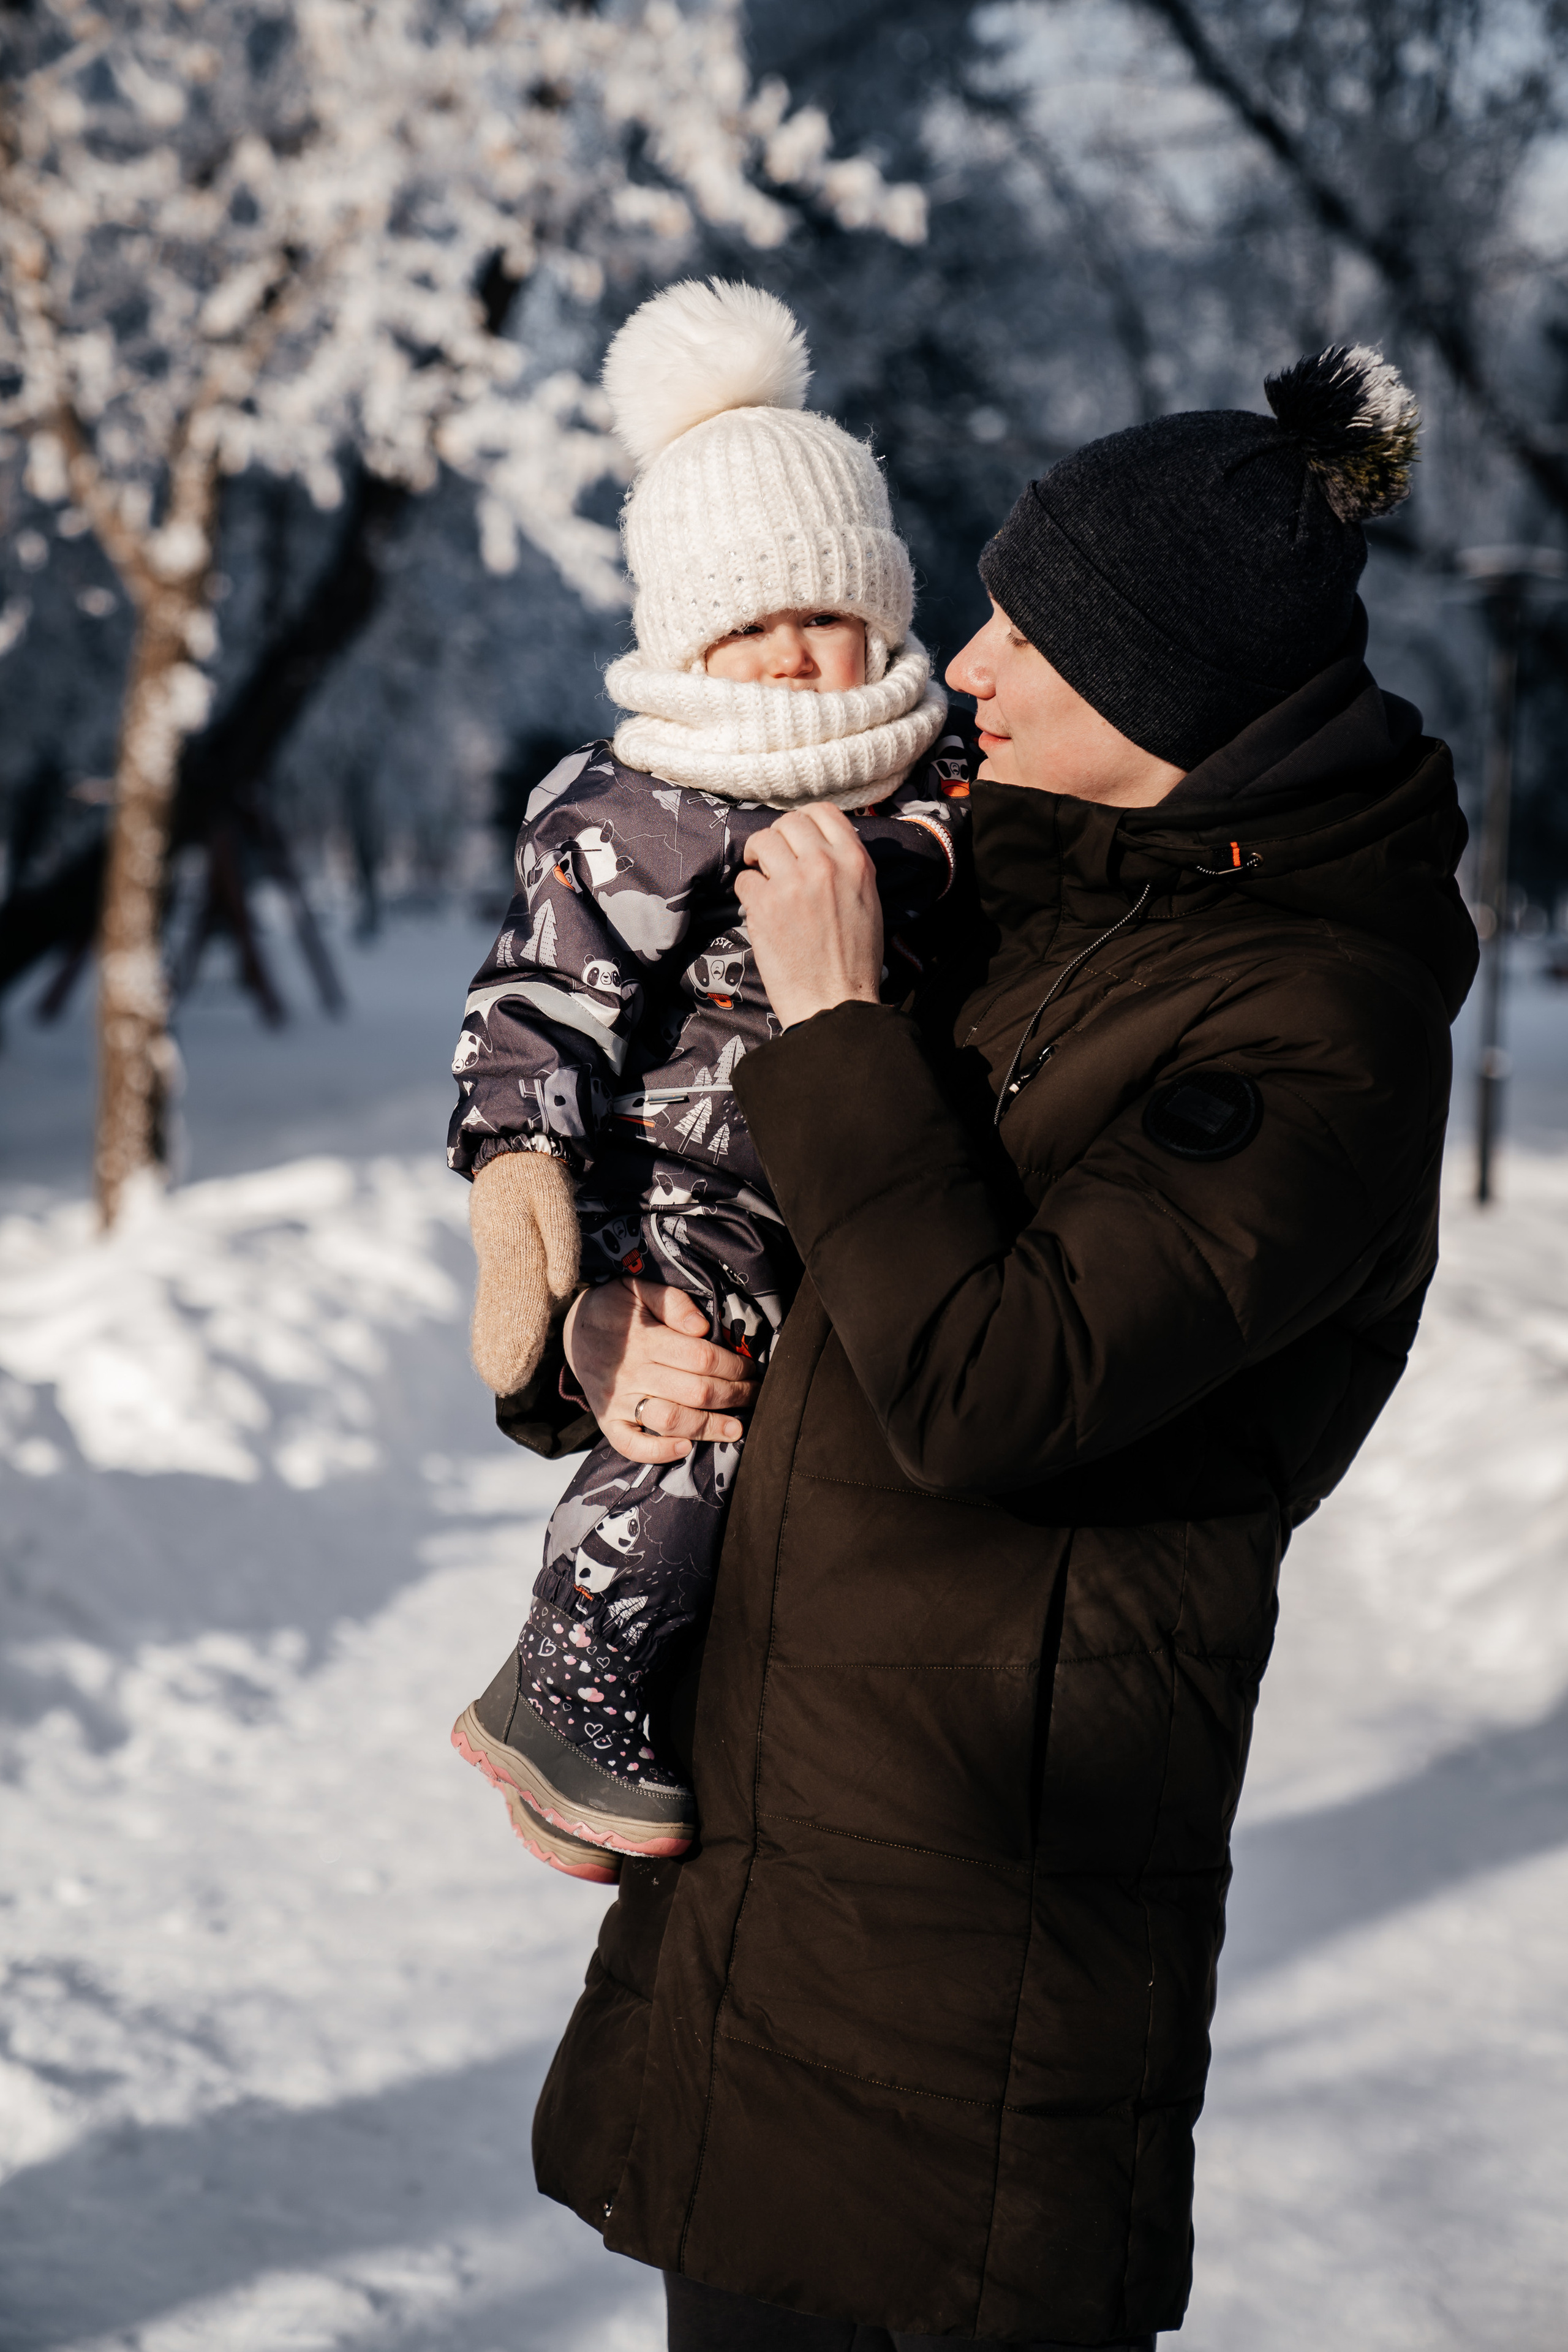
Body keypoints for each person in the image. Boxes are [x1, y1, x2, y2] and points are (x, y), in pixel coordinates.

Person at [523, 344, 1480, 2348]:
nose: (963, 668)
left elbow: (988, 1387)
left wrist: (845, 1023)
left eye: (1028, 634)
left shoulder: (1316, 1030)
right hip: (788, 1855)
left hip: (979, 1940)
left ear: (1166, 699)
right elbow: (782, 1230)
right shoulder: (1039, 898)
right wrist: (602, 1336)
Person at [445, 280, 973, 1881]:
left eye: (822, 614)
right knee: (693, 1424)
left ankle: (651, 1686)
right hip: (681, 1192)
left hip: (845, 1179)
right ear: (688, 643)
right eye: (748, 626)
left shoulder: (944, 765)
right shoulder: (646, 802)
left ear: (879, 609)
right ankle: (573, 1670)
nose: (797, 661)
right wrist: (518, 1174)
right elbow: (538, 996)